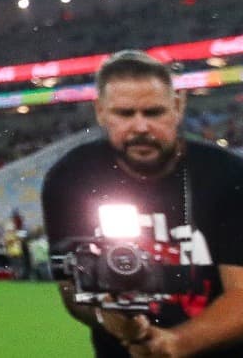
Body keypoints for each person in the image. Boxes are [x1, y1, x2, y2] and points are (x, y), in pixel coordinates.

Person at [41, 50, 243, 357]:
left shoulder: (228, 175)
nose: (140, 128)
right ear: (100, 111)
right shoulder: (70, 179)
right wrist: (111, 319)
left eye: (153, 112)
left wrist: (175, 343)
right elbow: (71, 287)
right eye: (124, 114)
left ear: (178, 106)